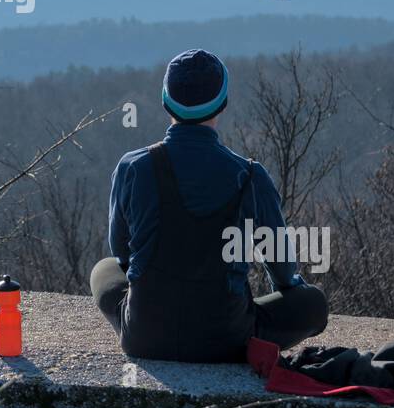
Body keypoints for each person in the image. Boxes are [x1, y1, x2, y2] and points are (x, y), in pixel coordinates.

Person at [90, 49, 329, 362]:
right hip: (229, 341)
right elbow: (283, 272)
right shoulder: (249, 177)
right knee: (313, 304)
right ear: (223, 103)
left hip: (144, 337)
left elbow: (122, 252)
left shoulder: (133, 167)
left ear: (165, 101)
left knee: (104, 269)